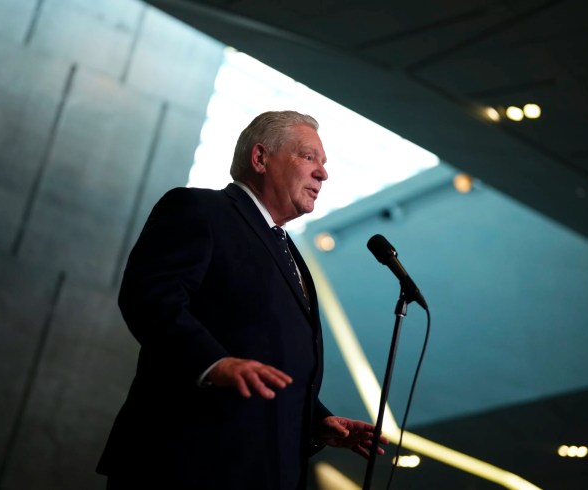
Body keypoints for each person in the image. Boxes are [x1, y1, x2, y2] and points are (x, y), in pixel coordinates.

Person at [97, 110, 386, 489]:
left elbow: (264, 355)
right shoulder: (200, 210)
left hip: (262, 470)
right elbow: (150, 297)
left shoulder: (287, 249)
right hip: (186, 462)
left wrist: (315, 420)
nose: (323, 173)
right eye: (308, 157)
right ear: (260, 158)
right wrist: (212, 363)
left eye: (324, 162)